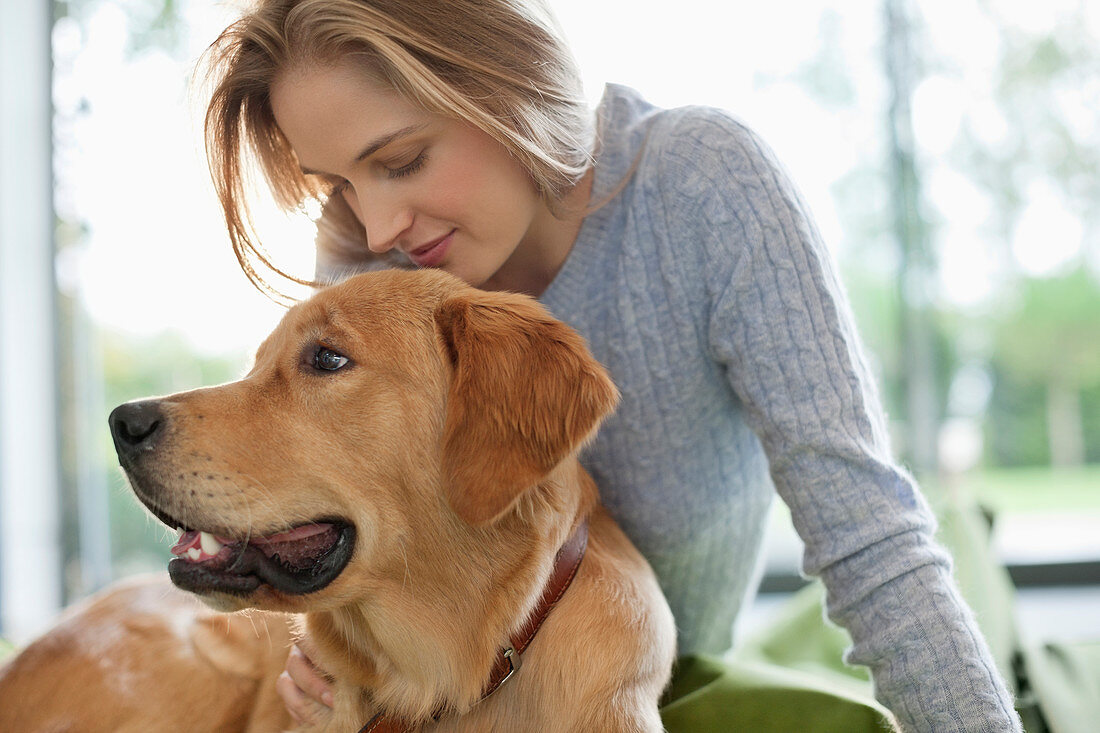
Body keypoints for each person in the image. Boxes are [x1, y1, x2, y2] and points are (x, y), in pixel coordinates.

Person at [201, 1, 1022, 730]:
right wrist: (319, 649)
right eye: (340, 183)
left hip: (654, 672)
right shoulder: (363, 260)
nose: (379, 228)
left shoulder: (701, 189)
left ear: (502, 83)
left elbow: (869, 538)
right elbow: (339, 530)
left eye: (402, 159)